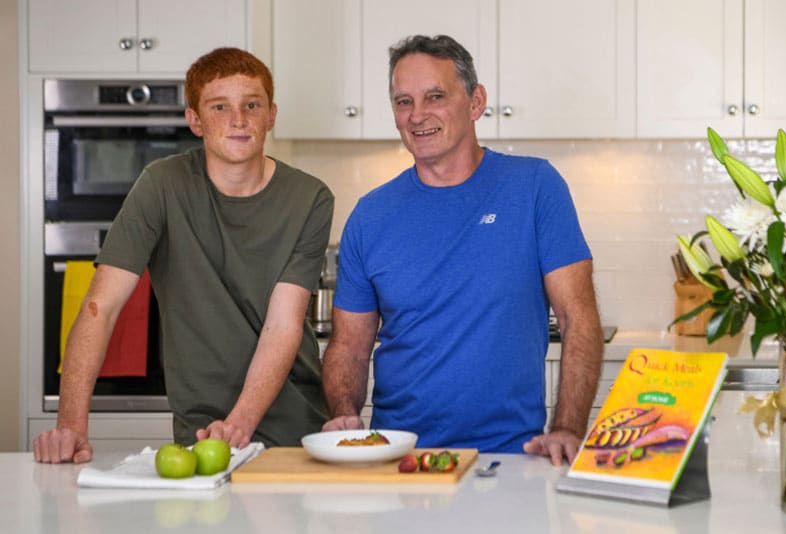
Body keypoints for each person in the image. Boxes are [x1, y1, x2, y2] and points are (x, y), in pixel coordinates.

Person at [33, 47, 334, 464]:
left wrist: (240, 424)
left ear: (271, 114)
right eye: (219, 107)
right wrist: (71, 426)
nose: (239, 119)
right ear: (195, 119)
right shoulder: (162, 184)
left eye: (252, 105)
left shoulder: (310, 197)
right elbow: (101, 308)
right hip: (201, 431)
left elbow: (282, 325)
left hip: (296, 431)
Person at [321, 35, 603, 464]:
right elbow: (349, 347)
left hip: (510, 457)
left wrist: (566, 427)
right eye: (403, 102)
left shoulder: (535, 188)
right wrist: (344, 414)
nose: (417, 116)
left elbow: (578, 318)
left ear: (476, 102)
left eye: (435, 97)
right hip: (401, 458)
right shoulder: (370, 215)